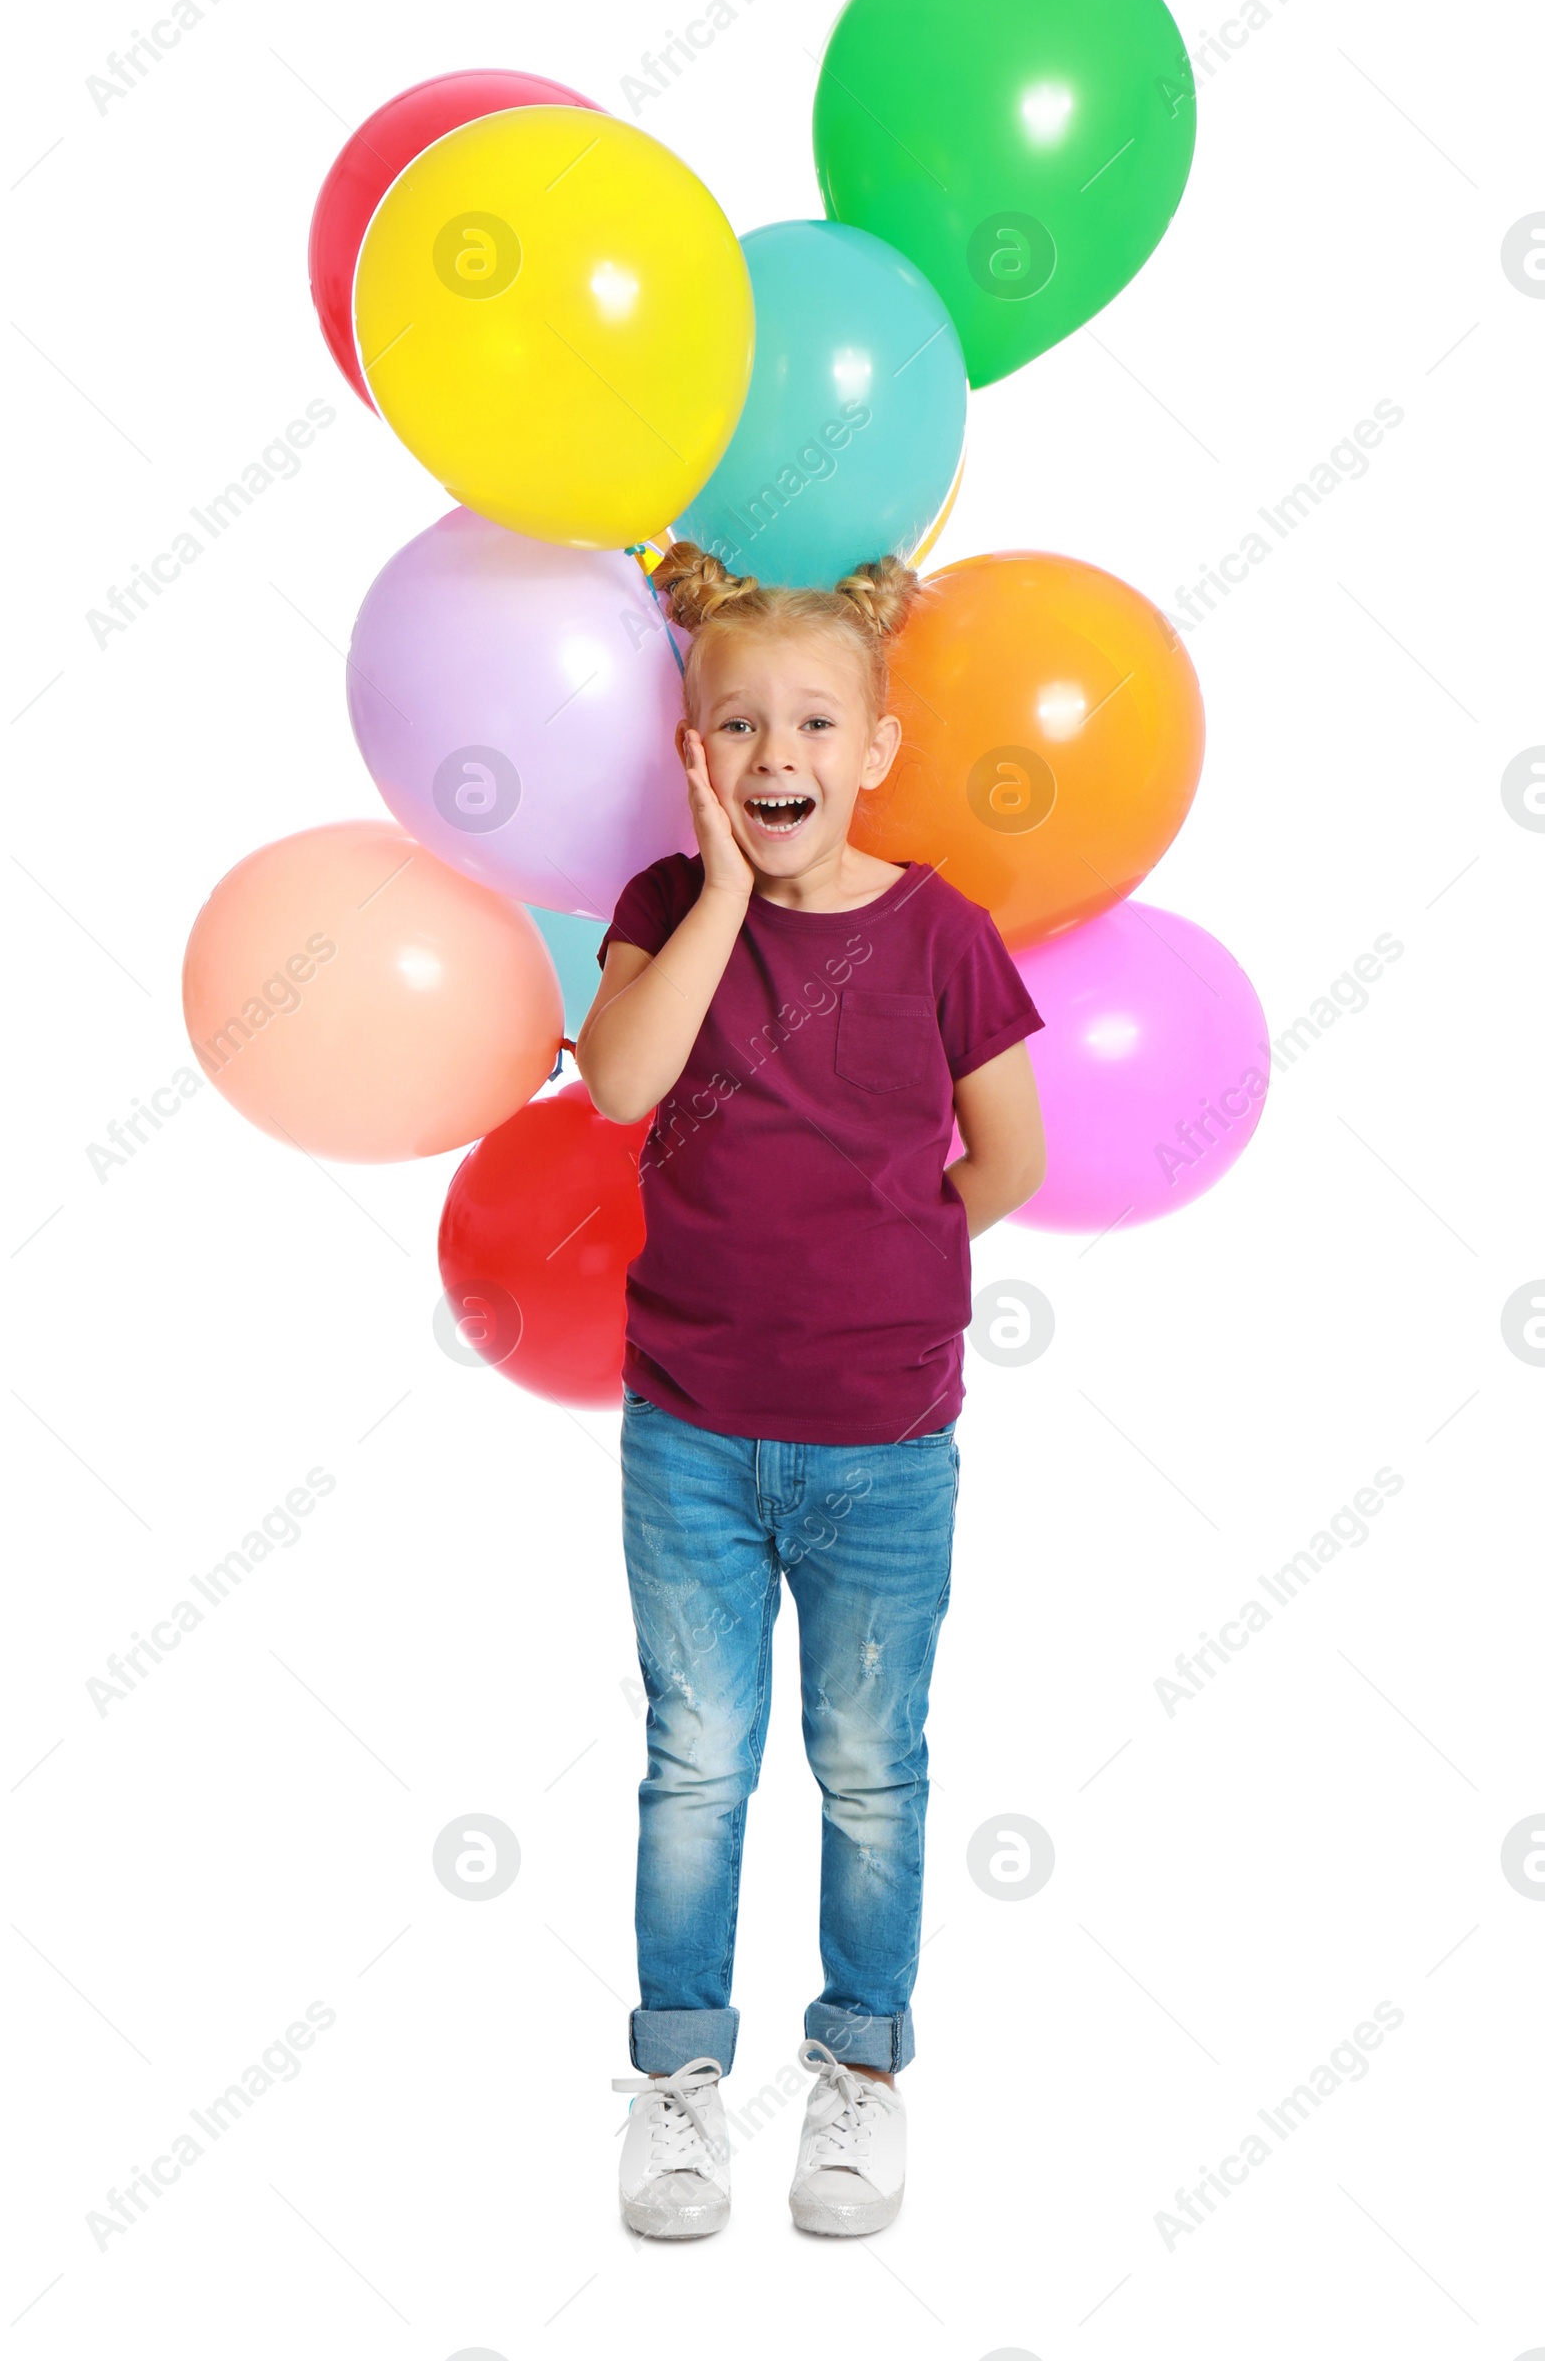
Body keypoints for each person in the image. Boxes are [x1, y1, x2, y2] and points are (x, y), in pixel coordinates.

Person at [576, 541, 1047, 2241]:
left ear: (876, 751)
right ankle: (680, 2085)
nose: (778, 758)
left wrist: (888, 1265)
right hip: (690, 1432)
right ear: (692, 755)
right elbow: (623, 1083)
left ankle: (856, 2071)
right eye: (738, 729)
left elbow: (1007, 1155)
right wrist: (714, 893)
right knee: (695, 1763)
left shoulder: (941, 935)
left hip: (884, 1450)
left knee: (869, 1768)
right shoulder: (658, 911)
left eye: (813, 727)